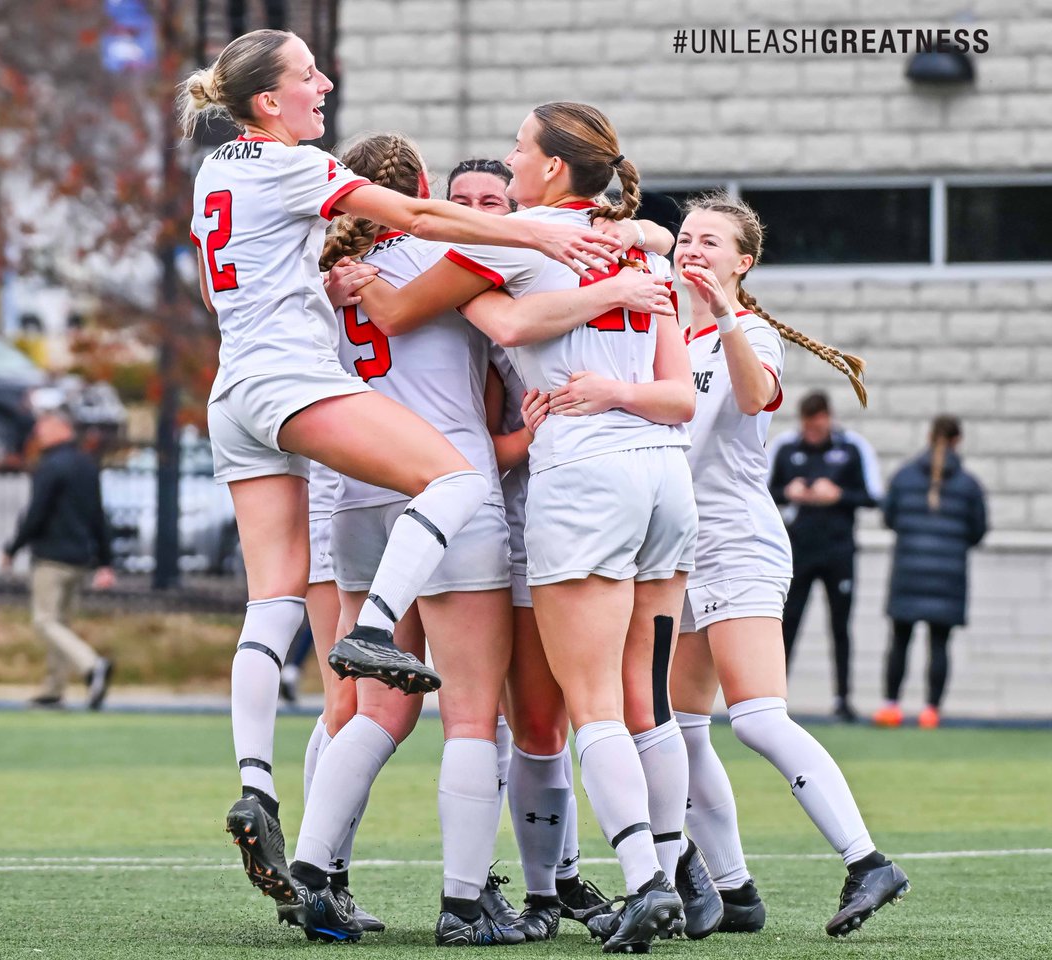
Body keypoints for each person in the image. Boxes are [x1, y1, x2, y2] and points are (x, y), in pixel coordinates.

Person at [177, 29, 622, 914]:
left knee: (275, 600)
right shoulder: (303, 171)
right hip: (304, 399)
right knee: (457, 495)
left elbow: (210, 283)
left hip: (239, 397)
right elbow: (436, 244)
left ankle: (260, 788)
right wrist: (524, 228)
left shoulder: (216, 173)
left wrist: (315, 273)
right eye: (308, 74)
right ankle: (483, 891)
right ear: (268, 101)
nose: (324, 82)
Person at [295, 137, 672, 947]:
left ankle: (315, 868)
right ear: (424, 194)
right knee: (473, 716)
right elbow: (478, 317)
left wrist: (642, 240)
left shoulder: (322, 275)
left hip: (358, 498)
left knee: (373, 709)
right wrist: (634, 254)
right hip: (450, 493)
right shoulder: (445, 246)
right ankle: (465, 903)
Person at [660, 192, 908, 939]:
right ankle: (735, 891)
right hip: (678, 554)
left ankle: (868, 861)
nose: (692, 248)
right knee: (679, 728)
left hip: (738, 543)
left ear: (744, 261)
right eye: (686, 238)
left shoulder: (752, 333)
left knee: (760, 719)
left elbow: (754, 392)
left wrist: (727, 314)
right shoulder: (661, 335)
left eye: (710, 241)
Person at [769, 390, 882, 722]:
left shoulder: (851, 448)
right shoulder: (787, 448)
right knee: (788, 624)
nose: (812, 431)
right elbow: (762, 488)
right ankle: (776, 700)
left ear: (827, 418)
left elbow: (873, 496)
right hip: (797, 552)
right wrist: (789, 493)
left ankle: (842, 698)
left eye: (818, 424)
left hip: (838, 552)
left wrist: (838, 495)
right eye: (808, 424)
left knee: (840, 626)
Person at [874, 416, 987, 729]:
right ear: (957, 441)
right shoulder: (969, 484)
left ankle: (891, 706)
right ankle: (930, 710)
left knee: (900, 640)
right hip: (948, 577)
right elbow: (978, 532)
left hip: (908, 572)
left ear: (929, 436)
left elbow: (889, 518)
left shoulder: (904, 476)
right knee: (939, 644)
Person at [2, 408, 115, 710]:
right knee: (61, 624)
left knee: (45, 621)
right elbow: (98, 516)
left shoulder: (51, 466)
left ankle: (92, 665)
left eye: (45, 424)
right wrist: (106, 561)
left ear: (62, 428)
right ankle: (54, 688)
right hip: (80, 560)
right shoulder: (87, 465)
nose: (39, 431)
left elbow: (35, 514)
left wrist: (12, 548)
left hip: (52, 559)